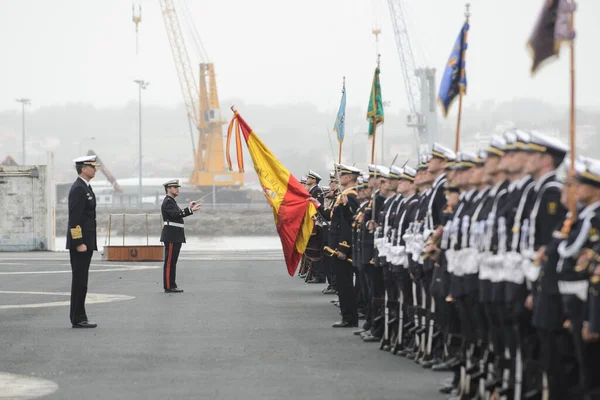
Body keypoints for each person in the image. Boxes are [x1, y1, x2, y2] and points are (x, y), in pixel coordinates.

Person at [66, 155, 100, 328]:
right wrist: (78, 241)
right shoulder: (79, 188)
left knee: (82, 280)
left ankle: (78, 316)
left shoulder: (85, 187)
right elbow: (75, 218)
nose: (95, 169)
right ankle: (78, 318)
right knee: (80, 280)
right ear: (83, 169)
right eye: (92, 167)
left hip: (87, 241)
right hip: (81, 243)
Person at [160, 179, 201, 293]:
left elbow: (177, 215)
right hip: (171, 236)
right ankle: (169, 286)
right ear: (168, 189)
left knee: (172, 262)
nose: (177, 189)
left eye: (177, 187)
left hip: (175, 235)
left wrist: (189, 209)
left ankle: (172, 285)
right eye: (175, 187)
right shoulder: (168, 201)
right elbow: (175, 214)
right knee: (169, 262)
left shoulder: (171, 201)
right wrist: (190, 210)